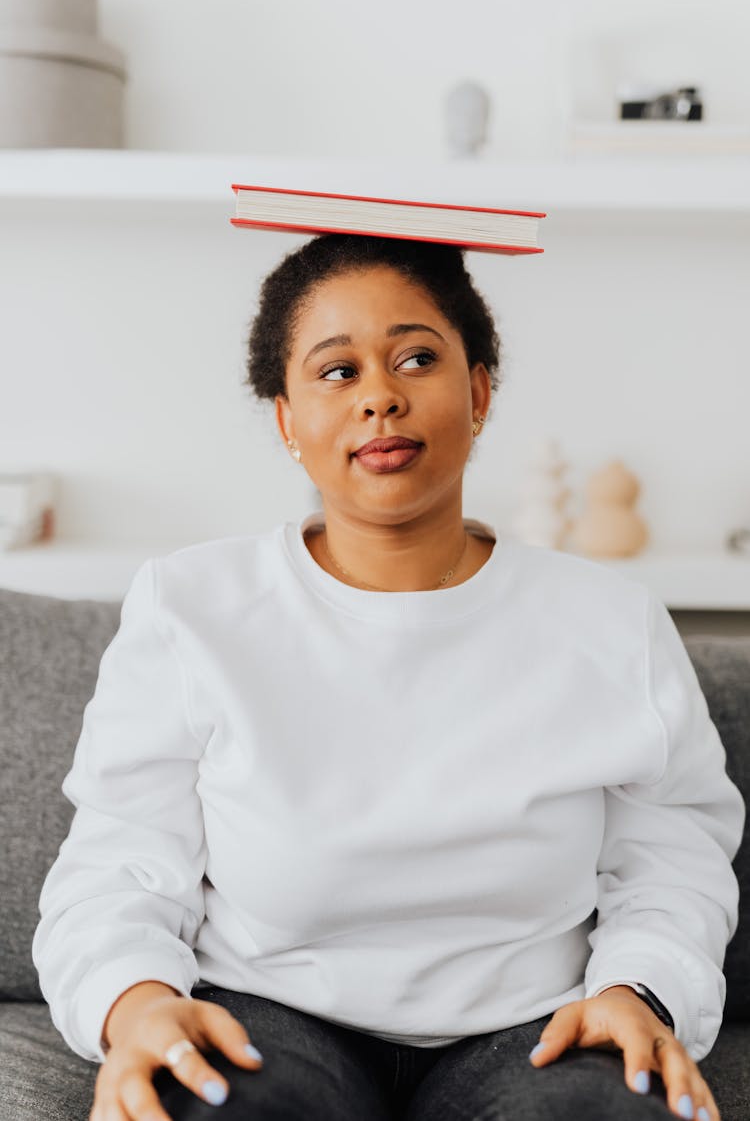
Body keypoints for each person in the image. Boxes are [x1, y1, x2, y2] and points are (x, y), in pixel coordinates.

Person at [32, 233, 744, 1121]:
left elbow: (673, 862)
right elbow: (119, 864)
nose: (380, 396)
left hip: (534, 1030)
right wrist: (134, 1004)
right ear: (287, 419)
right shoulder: (191, 606)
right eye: (337, 371)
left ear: (480, 391)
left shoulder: (609, 621)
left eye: (417, 357)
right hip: (268, 1016)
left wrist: (640, 992)